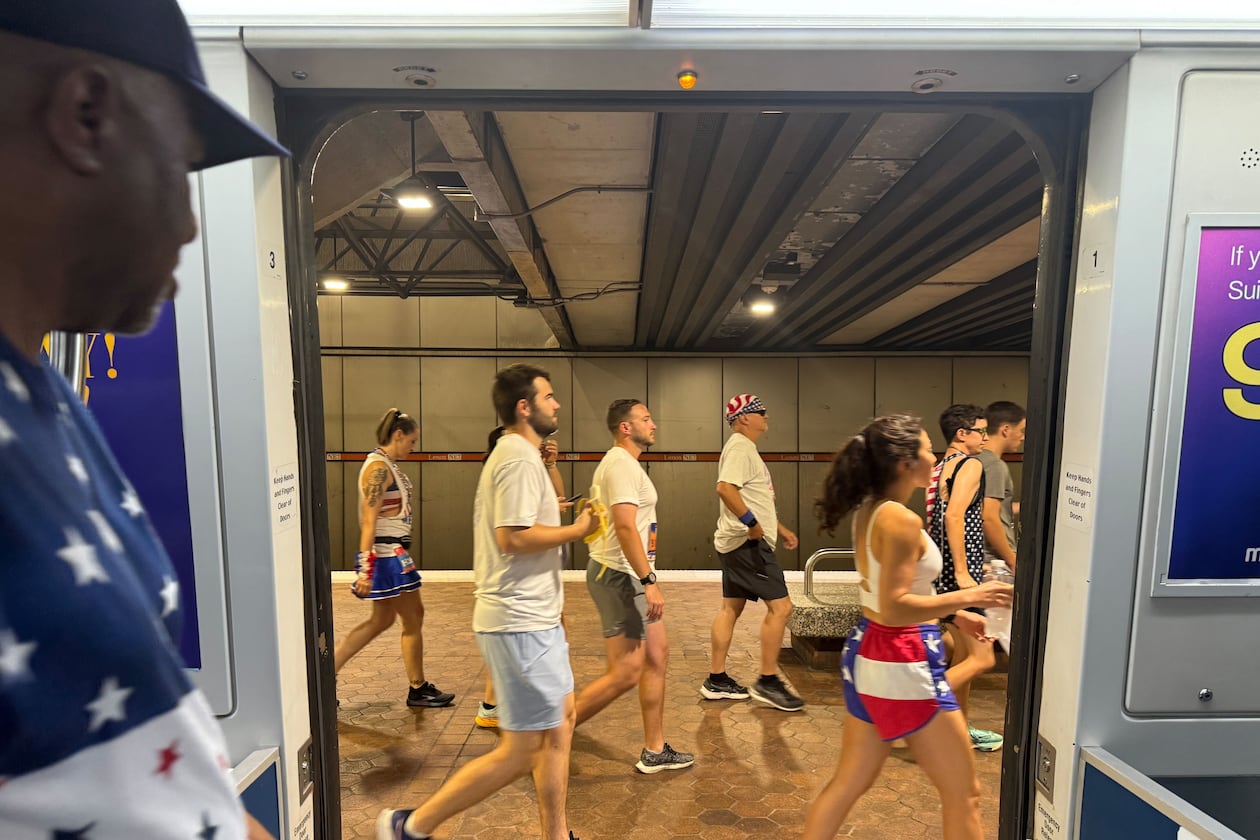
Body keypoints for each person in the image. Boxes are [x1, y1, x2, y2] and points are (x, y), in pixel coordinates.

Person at [0, 2, 287, 837]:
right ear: (87, 116)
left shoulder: (46, 396)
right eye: (186, 167)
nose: (192, 226)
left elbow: (163, 768)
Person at [377, 364, 597, 840]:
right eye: (550, 396)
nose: (557, 404)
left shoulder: (525, 456)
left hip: (535, 618)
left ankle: (556, 834)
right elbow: (512, 537)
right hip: (518, 623)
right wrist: (578, 531)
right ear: (525, 407)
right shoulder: (517, 457)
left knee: (563, 722)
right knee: (519, 752)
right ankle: (410, 826)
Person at [805, 416, 1013, 840]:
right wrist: (969, 599)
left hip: (872, 652)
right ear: (903, 462)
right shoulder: (900, 520)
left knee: (847, 785)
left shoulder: (873, 511)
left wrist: (954, 618)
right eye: (925, 450)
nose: (933, 457)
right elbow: (895, 607)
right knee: (964, 793)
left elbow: (887, 597)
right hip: (901, 659)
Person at [573, 400, 694, 773]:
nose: (653, 424)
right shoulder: (622, 465)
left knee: (658, 656)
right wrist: (648, 580)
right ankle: (550, 734)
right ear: (626, 427)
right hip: (621, 577)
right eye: (645, 419)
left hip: (627, 575)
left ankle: (655, 749)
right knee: (626, 671)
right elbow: (625, 526)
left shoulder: (621, 464)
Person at [333, 408, 455, 708]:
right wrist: (365, 569)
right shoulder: (378, 468)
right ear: (398, 435)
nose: (414, 447)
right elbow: (369, 521)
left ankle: (328, 674)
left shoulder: (385, 465)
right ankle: (417, 687)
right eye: (412, 441)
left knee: (385, 619)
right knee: (406, 617)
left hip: (393, 552)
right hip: (386, 554)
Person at [702, 394, 804, 712]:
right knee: (782, 607)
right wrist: (752, 524)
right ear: (744, 417)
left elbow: (754, 497)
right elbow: (725, 488)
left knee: (730, 608)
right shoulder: (740, 447)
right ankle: (768, 681)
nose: (766, 416)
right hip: (746, 545)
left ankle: (716, 679)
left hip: (739, 542)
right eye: (761, 412)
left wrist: (778, 527)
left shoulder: (745, 449)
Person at [475, 426, 569, 730]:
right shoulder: (512, 463)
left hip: (528, 591)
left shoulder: (524, 462)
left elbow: (559, 498)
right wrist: (579, 530)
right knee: (527, 745)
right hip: (516, 595)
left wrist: (550, 465)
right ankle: (503, 706)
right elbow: (512, 535)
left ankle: (494, 705)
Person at [927, 405, 1002, 752]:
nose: (986, 437)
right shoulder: (971, 465)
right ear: (962, 433)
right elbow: (956, 516)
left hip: (946, 572)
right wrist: (963, 570)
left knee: (962, 656)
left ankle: (959, 729)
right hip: (960, 577)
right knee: (982, 657)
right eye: (981, 430)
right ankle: (922, 715)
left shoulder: (943, 466)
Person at [979, 401, 1026, 574]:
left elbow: (988, 507)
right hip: (994, 561)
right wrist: (1012, 559)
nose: (1022, 437)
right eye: (1021, 430)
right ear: (1005, 429)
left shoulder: (974, 459)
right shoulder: (994, 465)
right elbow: (989, 517)